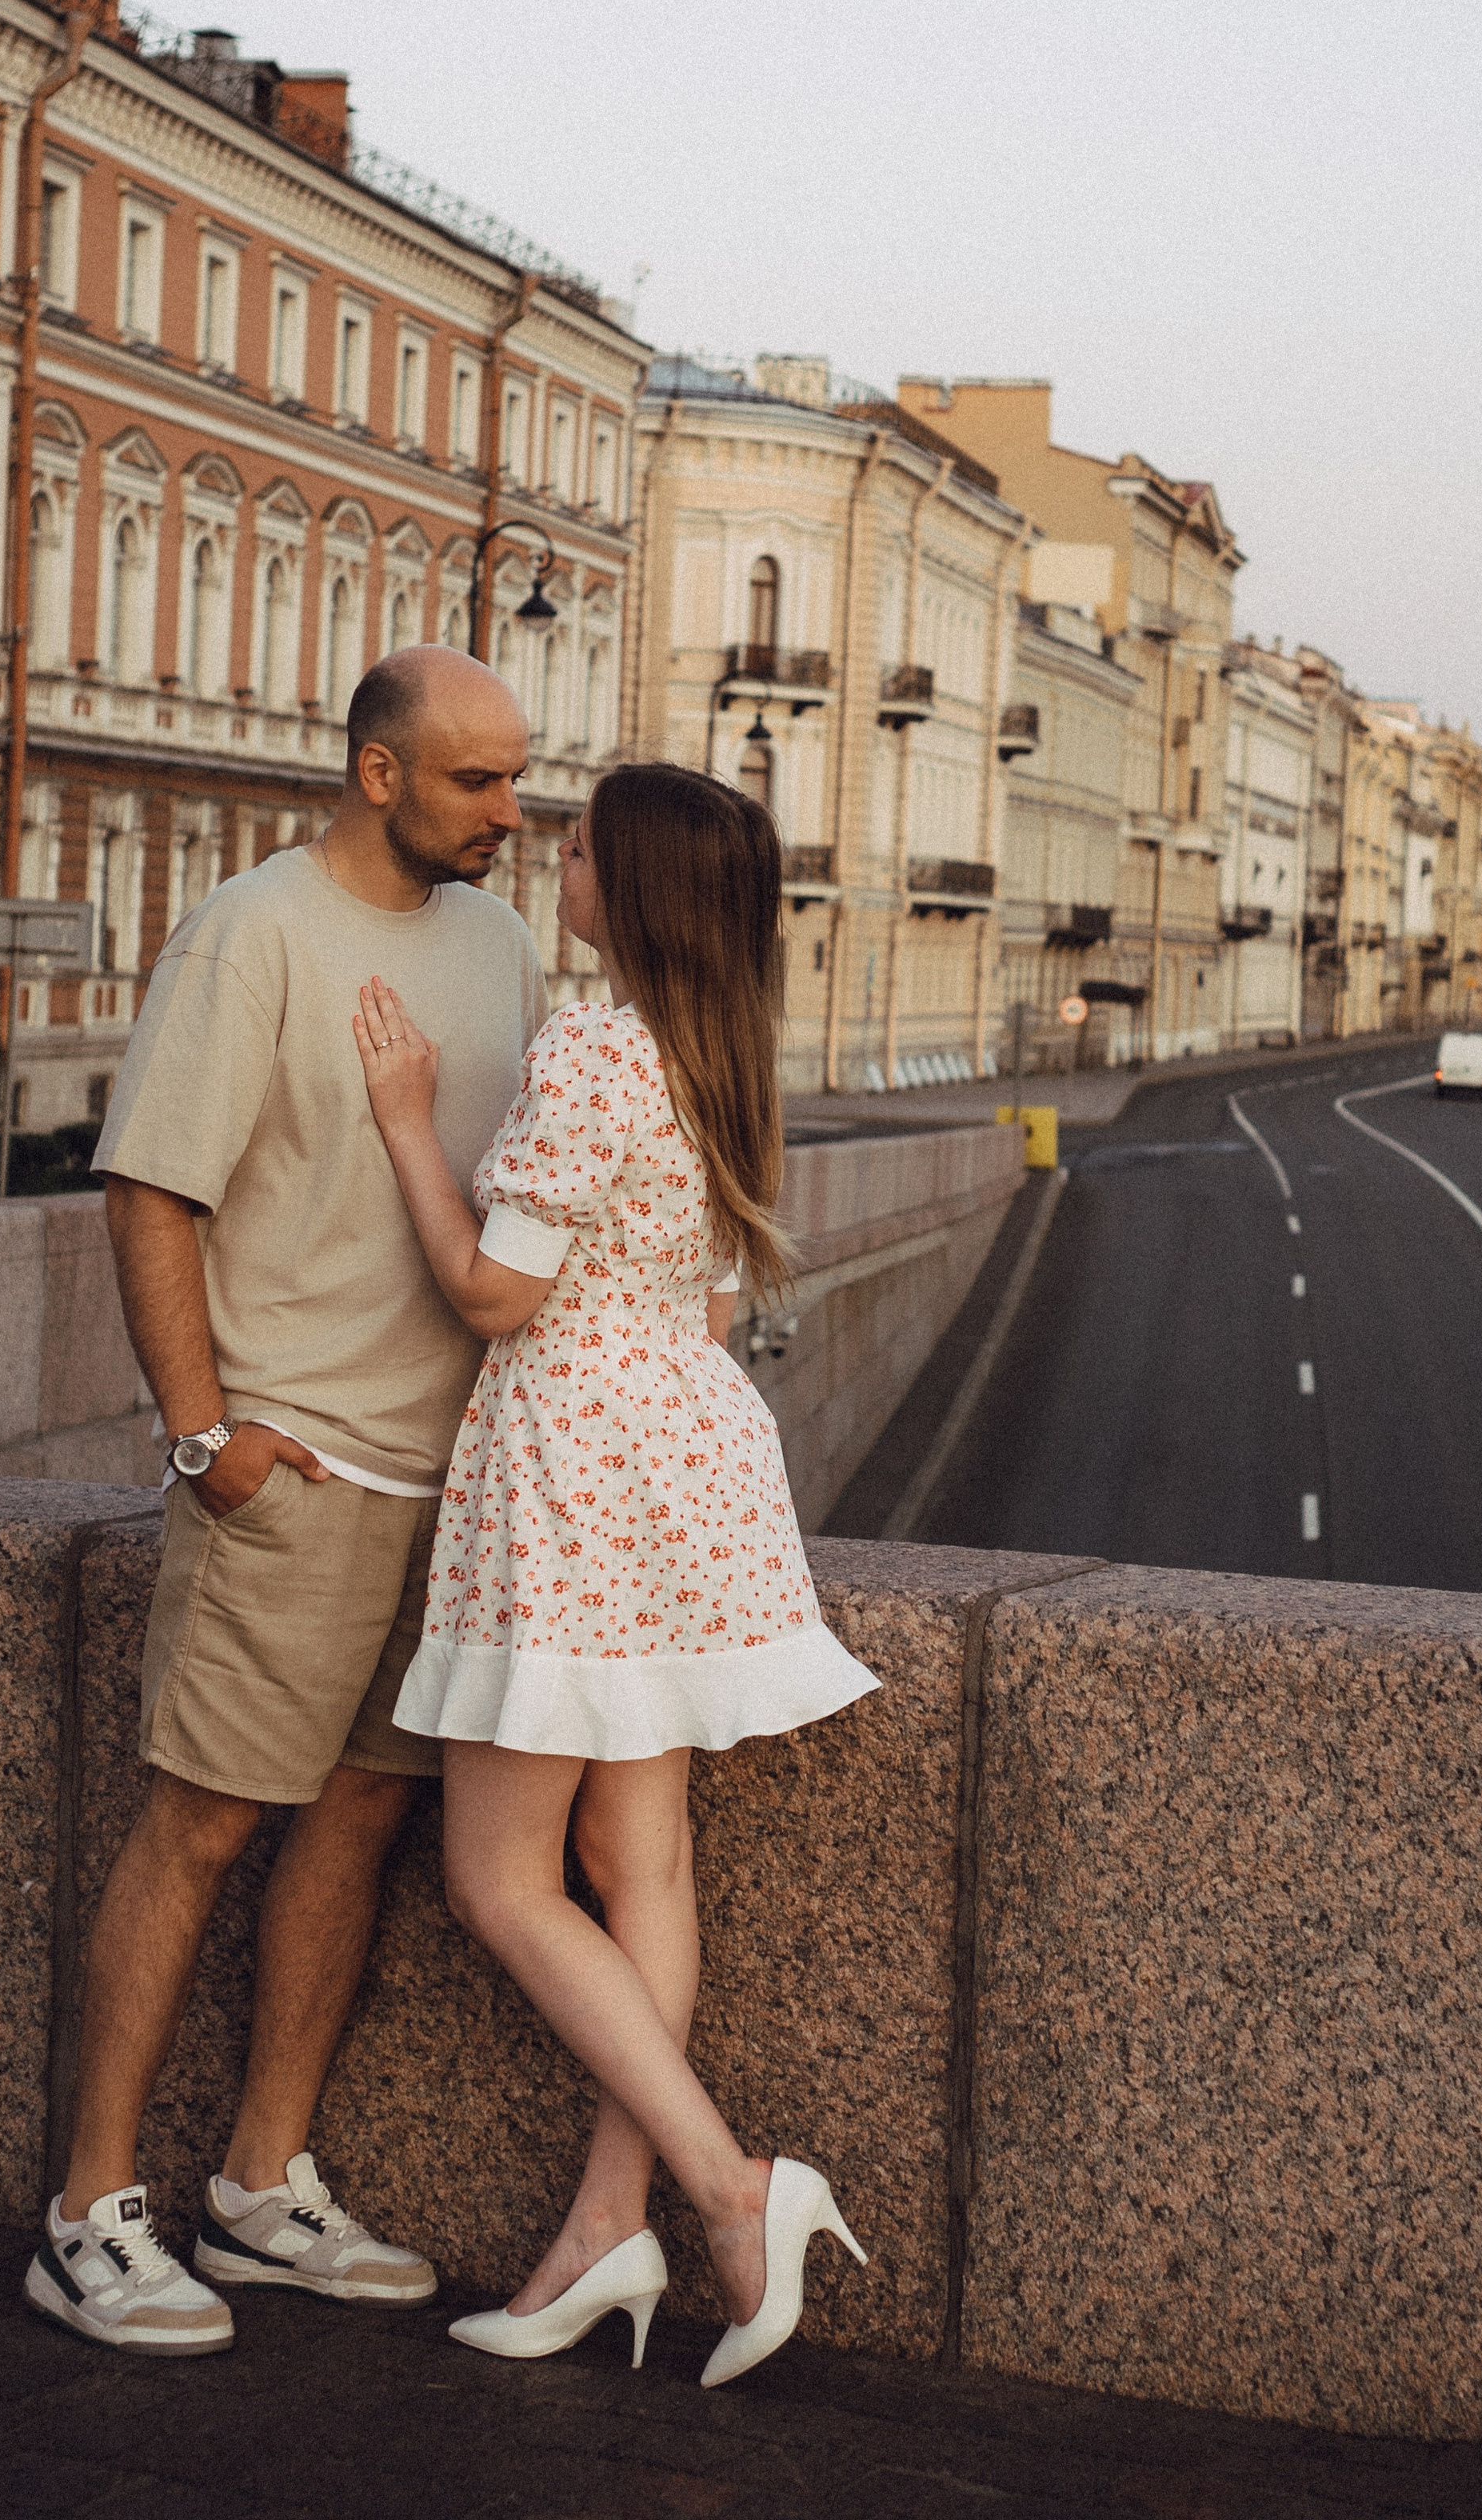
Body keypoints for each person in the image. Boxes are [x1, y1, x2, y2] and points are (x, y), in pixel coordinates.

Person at [26, 646, 547, 2357]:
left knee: (356, 1822)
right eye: (477, 782)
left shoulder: (500, 945)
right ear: (378, 775)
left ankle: (261, 2189)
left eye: (517, 777)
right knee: (202, 1823)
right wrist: (205, 1435)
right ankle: (89, 2214)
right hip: (296, 1465)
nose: (509, 812)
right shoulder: (250, 935)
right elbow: (150, 1190)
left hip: (450, 1470)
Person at [352, 759, 877, 2390]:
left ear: (625, 886)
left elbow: (493, 1293)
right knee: (634, 1857)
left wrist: (400, 1125)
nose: (555, 863)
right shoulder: (723, 1053)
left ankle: (729, 2188)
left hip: (576, 1470)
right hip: (691, 1464)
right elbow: (708, 1301)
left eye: (577, 849)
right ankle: (602, 2229)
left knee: (499, 1879)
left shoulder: (592, 1041)